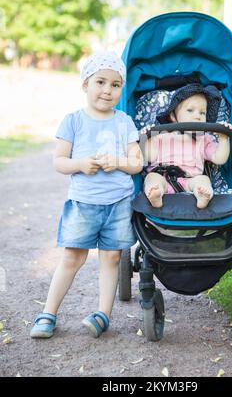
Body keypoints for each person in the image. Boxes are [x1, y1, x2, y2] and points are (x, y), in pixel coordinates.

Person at [30, 51, 143, 339]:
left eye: (115, 85)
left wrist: (116, 161)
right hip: (83, 204)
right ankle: (48, 313)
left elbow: (137, 163)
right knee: (72, 257)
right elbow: (59, 161)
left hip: (118, 205)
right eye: (101, 82)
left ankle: (103, 314)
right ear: (85, 85)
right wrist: (80, 164)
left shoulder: (125, 123)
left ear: (121, 89)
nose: (107, 90)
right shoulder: (74, 121)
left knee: (112, 259)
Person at [142, 83, 232, 209]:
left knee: (203, 180)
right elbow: (149, 157)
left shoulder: (204, 139)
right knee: (151, 178)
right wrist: (148, 139)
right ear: (173, 116)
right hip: (162, 176)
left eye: (202, 113)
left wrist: (224, 139)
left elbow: (219, 159)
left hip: (190, 180)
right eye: (190, 110)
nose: (197, 116)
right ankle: (156, 194)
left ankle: (202, 195)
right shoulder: (161, 135)